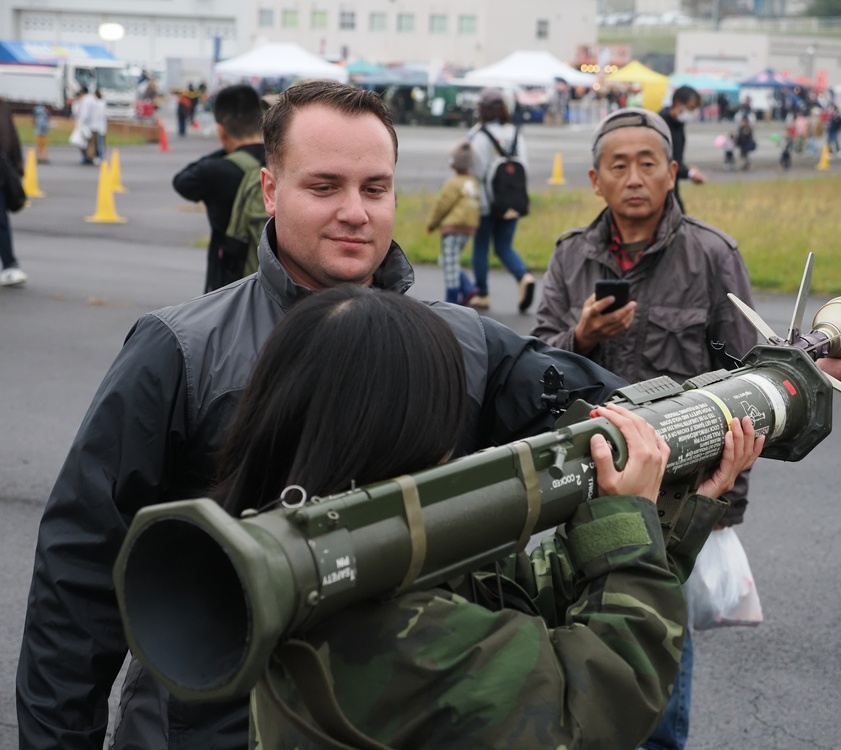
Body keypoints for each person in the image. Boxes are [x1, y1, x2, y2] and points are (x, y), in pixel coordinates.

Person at [15, 79, 626, 750]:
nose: (355, 213)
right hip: (208, 729)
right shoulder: (181, 352)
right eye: (324, 186)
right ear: (271, 191)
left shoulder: (465, 343)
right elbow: (79, 575)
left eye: (374, 188)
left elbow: (603, 415)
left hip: (405, 720)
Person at [531, 107, 841, 750]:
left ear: (671, 173)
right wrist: (580, 336)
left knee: (656, 658)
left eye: (648, 162)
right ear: (595, 180)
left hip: (680, 500)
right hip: (586, 485)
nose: (634, 177)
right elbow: (534, 368)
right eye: (618, 165)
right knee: (568, 640)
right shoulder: (570, 257)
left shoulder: (712, 254)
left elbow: (753, 374)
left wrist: (721, 507)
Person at [213, 283, 761, 749]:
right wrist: (628, 521)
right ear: (399, 429)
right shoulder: (409, 644)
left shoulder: (324, 557)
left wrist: (671, 510)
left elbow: (515, 593)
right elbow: (602, 699)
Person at [172, 84, 266, 292]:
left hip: (230, 284)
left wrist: (227, 149)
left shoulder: (215, 170)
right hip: (278, 279)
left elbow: (181, 181)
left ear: (222, 131)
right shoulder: (281, 161)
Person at [466, 87, 535, 313]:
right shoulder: (515, 133)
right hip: (512, 200)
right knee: (504, 245)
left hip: (487, 203)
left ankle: (483, 293)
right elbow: (524, 164)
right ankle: (523, 276)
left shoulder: (481, 136)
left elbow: (475, 170)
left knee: (482, 245)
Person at [425, 138, 479, 304]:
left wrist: (431, 224)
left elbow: (442, 205)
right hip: (468, 229)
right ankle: (467, 287)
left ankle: (451, 299)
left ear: (453, 163)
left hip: (453, 228)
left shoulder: (452, 183)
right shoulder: (473, 182)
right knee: (449, 260)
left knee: (449, 265)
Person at [658, 85, 706, 214]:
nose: (691, 113)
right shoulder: (660, 125)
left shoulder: (678, 125)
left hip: (672, 188)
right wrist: (689, 174)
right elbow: (663, 162)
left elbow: (676, 159)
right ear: (678, 103)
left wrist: (686, 168)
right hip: (658, 191)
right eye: (690, 108)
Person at [0, 94, 27, 287]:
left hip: (1, 175)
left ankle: (10, 264)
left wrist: (18, 166)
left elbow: (12, 137)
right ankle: (9, 264)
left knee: (1, 222)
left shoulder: (2, 106)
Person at [92, 88, 108, 163]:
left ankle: (100, 157)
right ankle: (102, 156)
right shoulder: (102, 103)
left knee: (99, 143)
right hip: (102, 126)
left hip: (97, 126)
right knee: (101, 142)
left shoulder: (97, 104)